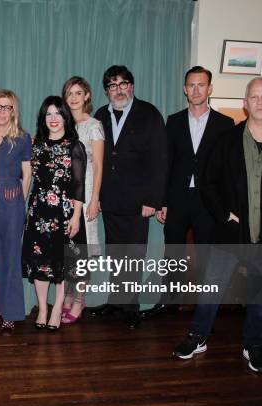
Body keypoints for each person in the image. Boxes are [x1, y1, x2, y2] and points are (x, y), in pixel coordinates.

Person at [173, 77, 262, 374]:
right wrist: (224, 215)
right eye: (254, 97)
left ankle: (253, 344)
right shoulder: (226, 141)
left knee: (259, 295)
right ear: (245, 104)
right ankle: (198, 337)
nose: (260, 101)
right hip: (229, 235)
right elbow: (208, 183)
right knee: (212, 290)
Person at [91, 65, 167, 328]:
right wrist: (95, 195)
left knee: (134, 255)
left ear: (131, 86)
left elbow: (160, 160)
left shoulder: (149, 114)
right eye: (113, 86)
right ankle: (114, 301)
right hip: (109, 198)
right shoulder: (100, 114)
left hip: (139, 201)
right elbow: (95, 159)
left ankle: (131, 306)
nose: (118, 90)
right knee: (114, 252)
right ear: (107, 90)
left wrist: (153, 200)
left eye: (123, 84)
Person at [156, 66, 234, 307]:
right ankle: (169, 302)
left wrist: (226, 206)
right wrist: (162, 202)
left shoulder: (225, 124)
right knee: (173, 253)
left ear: (209, 89)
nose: (196, 89)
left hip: (208, 201)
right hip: (177, 199)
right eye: (191, 85)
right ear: (185, 89)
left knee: (207, 255)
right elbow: (165, 164)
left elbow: (228, 169)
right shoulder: (174, 121)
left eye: (201, 85)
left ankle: (206, 305)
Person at [22, 96, 86, 331]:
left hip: (65, 212)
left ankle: (58, 307)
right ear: (43, 118)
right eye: (48, 114)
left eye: (58, 113)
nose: (53, 119)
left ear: (65, 117)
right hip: (38, 211)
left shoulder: (74, 146)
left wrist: (76, 216)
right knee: (40, 263)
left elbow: (79, 184)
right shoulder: (35, 144)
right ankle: (42, 307)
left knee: (61, 263)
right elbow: (27, 177)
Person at [0, 89, 32, 336]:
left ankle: (11, 313)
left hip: (12, 201)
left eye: (7, 107)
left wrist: (19, 202)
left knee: (11, 258)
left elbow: (28, 173)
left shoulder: (22, 138)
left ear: (14, 111)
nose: (2, 111)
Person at [61, 76, 105, 323]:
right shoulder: (62, 124)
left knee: (83, 251)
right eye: (70, 93)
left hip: (87, 192)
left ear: (87, 95)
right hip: (64, 197)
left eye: (79, 93)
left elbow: (98, 165)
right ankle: (67, 295)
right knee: (68, 250)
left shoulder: (94, 125)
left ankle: (79, 300)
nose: (74, 98)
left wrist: (94, 199)